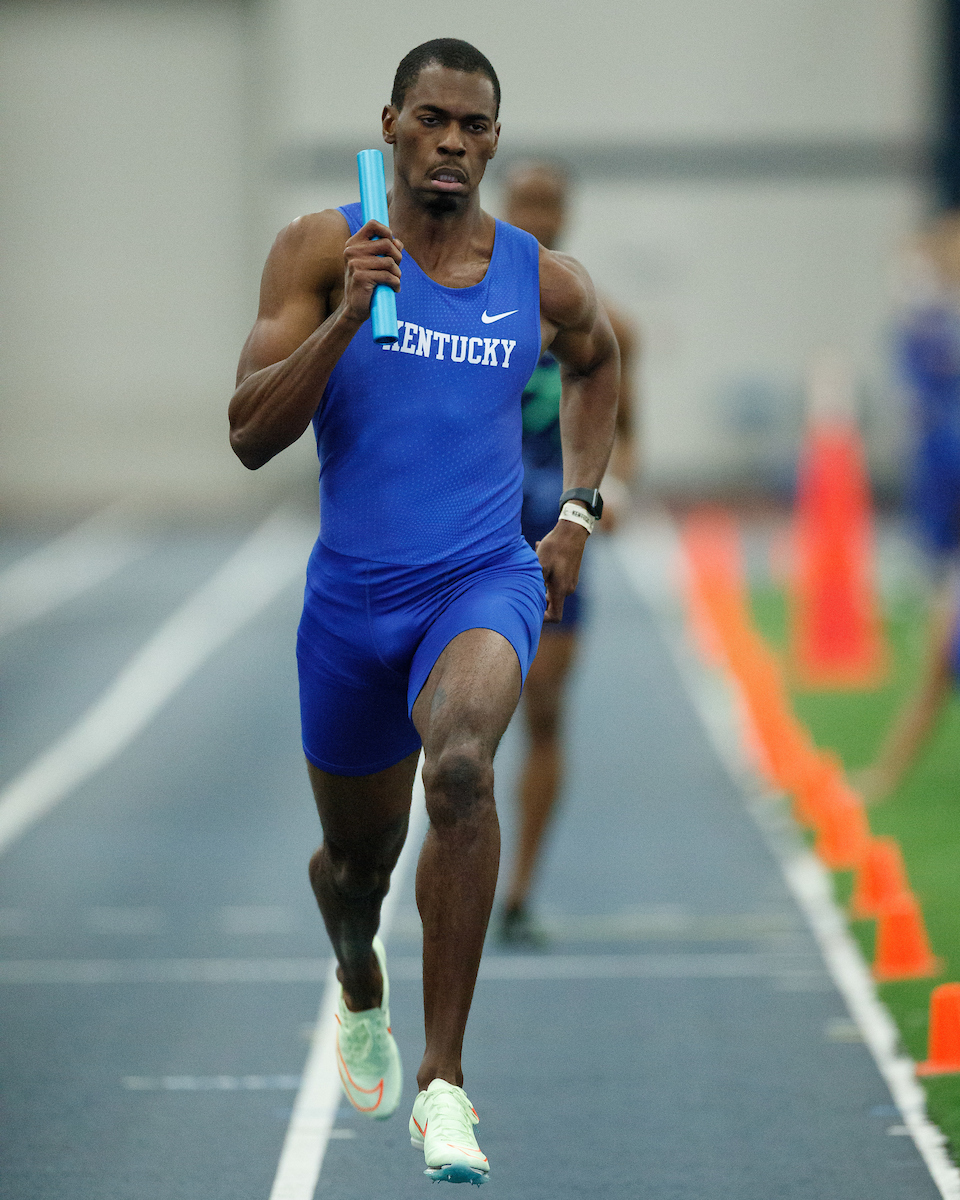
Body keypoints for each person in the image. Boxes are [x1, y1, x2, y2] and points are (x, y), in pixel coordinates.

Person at [227, 39, 619, 1186]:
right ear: (391, 122)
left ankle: (445, 1084)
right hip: (351, 602)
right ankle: (361, 977)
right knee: (358, 868)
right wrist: (347, 315)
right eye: (432, 119)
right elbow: (249, 435)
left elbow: (597, 364)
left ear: (493, 140)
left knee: (459, 771)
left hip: (480, 581)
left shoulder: (541, 277)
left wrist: (579, 512)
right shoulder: (319, 249)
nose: (453, 141)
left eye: (474, 126)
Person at [497, 163, 638, 945]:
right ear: (504, 208)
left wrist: (609, 494)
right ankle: (459, 859)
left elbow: (630, 426)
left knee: (543, 709)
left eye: (550, 205)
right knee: (463, 713)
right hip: (477, 525)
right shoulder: (467, 308)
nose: (538, 216)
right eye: (525, 204)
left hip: (558, 535)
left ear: (567, 215)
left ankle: (519, 891)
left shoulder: (603, 322)